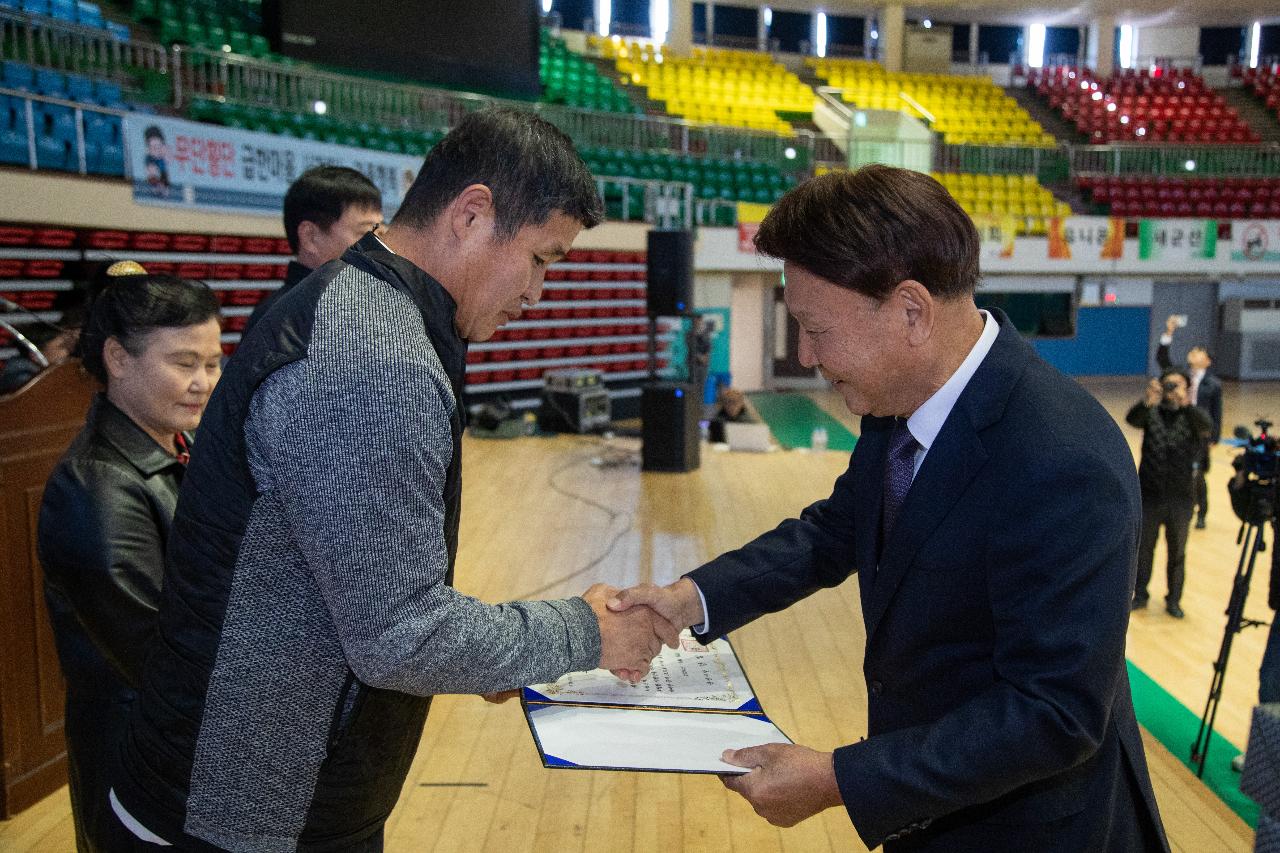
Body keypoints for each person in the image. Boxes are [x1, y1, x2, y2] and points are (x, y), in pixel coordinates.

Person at [109, 109, 677, 851]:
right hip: (247, 813)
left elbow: (371, 592)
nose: (539, 290)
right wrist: (582, 632)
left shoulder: (370, 311)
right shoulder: (376, 358)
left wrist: (507, 648)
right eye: (543, 258)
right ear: (472, 214)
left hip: (265, 788)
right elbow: (399, 634)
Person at [608, 165, 1169, 851]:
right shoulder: (896, 404)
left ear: (911, 311)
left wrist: (842, 777)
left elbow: (1054, 711)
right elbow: (837, 529)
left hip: (1034, 831)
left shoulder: (1061, 457)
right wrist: (691, 598)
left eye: (817, 330)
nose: (808, 355)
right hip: (932, 808)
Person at [36, 262, 223, 851]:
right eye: (183, 363)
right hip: (142, 756)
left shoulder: (177, 443)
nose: (204, 382)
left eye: (213, 363)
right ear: (118, 359)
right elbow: (158, 655)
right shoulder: (97, 488)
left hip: (187, 743)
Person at [243, 165, 384, 333]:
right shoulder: (282, 320)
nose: (379, 244)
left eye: (381, 232)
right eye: (365, 232)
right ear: (310, 236)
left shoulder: (360, 303)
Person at [1127, 368, 1214, 619]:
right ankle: (1141, 594)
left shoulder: (1192, 416)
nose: (1171, 391)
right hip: (1151, 495)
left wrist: (1187, 404)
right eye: (1168, 385)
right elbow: (1132, 419)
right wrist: (1148, 400)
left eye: (1177, 386)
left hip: (1180, 498)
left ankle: (1173, 599)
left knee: (1177, 552)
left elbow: (1207, 426)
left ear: (1186, 388)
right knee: (1144, 550)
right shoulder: (1151, 411)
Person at [1155, 315, 1222, 529]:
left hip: (1199, 434)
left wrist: (1214, 436)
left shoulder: (1213, 384)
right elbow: (1163, 359)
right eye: (1192, 350)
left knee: (1198, 474)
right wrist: (1169, 332)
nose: (1193, 352)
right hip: (1179, 429)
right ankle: (1177, 507)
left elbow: (1216, 412)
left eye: (1198, 351)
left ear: (1207, 360)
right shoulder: (1181, 375)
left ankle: (1201, 511)